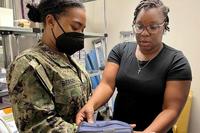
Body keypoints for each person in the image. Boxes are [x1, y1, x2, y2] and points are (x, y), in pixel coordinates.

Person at [76, 0, 192, 133]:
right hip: (118, 129)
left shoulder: (177, 62)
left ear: (164, 27)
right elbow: (107, 85)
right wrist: (91, 105)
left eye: (153, 27)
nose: (144, 33)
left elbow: (171, 110)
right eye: (139, 26)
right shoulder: (120, 51)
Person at [6, 0, 91, 132]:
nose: (80, 34)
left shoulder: (69, 60)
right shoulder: (29, 63)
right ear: (50, 21)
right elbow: (38, 126)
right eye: (75, 27)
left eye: (82, 29)